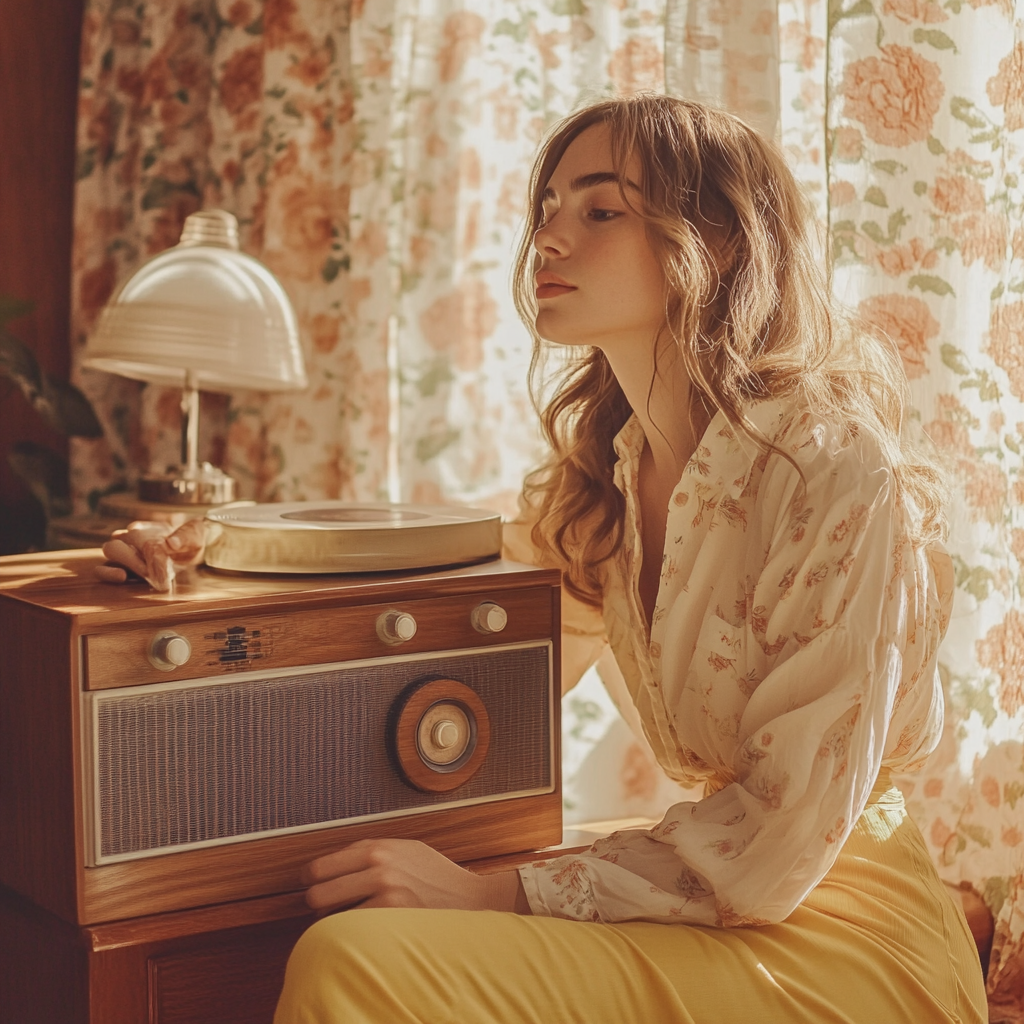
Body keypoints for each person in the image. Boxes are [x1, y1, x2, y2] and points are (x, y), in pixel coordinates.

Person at [104, 95, 988, 1023]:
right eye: (547, 209)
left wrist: (497, 891)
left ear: (718, 242)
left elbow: (784, 837)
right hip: (721, 902)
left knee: (356, 958)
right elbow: (437, 607)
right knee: (338, 927)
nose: (549, 239)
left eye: (599, 209)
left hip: (839, 928)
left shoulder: (831, 466)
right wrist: (207, 549)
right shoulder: (607, 479)